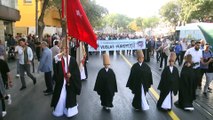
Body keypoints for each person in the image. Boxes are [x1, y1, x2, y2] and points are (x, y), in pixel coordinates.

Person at [51, 40, 81, 117]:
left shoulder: (72, 59)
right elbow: (55, 62)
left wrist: (71, 75)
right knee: (61, 97)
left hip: (70, 82)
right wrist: (60, 56)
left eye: (67, 48)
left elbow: (76, 73)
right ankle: (59, 110)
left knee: (69, 97)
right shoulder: (59, 58)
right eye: (64, 48)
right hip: (61, 82)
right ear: (61, 49)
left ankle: (69, 112)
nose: (66, 50)